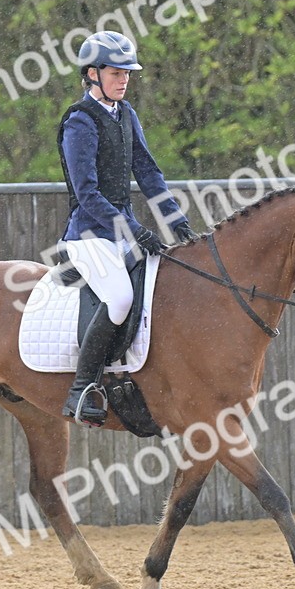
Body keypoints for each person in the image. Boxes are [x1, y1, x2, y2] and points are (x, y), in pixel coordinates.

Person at [57, 30, 199, 426]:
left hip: (120, 231)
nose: (124, 79)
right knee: (119, 299)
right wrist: (133, 229)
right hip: (88, 235)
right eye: (116, 72)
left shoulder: (126, 115)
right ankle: (81, 388)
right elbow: (87, 194)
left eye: (127, 73)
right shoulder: (80, 122)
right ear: (92, 74)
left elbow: (149, 172)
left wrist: (176, 221)